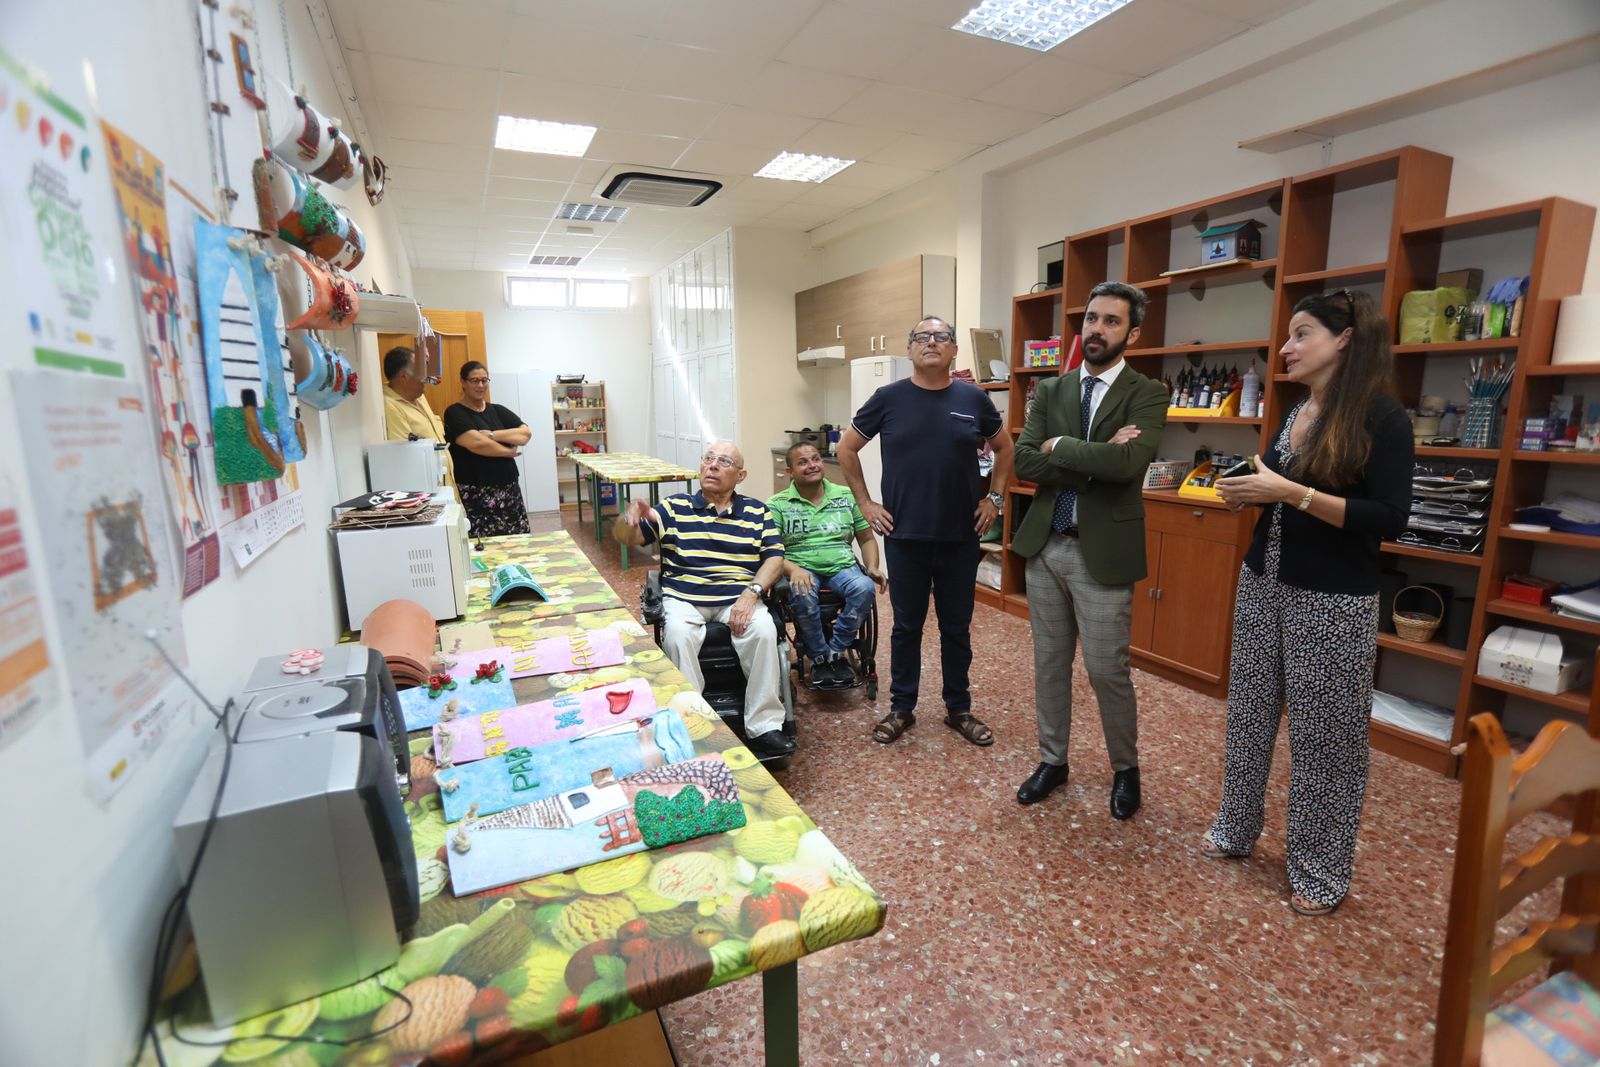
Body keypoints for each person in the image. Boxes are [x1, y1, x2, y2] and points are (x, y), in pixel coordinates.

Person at [1204, 289, 1412, 916]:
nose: (1287, 349)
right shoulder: (1298, 410)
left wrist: (1289, 493)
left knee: (1326, 736)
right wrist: (1245, 492)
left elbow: (1390, 517)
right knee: (1249, 713)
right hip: (1262, 582)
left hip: (1331, 598)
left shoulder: (1382, 418)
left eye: (1301, 335)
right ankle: (1237, 829)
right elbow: (1274, 485)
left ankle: (1320, 869)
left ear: (1344, 339)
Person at [1010, 281, 1169, 821]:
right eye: (1092, 319)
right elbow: (1024, 464)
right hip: (1045, 548)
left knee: (1107, 671)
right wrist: (1094, 455)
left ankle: (1126, 769)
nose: (1097, 330)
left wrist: (1061, 447)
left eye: (1111, 322)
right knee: (1049, 666)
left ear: (1133, 333)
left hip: (1101, 554)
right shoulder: (1051, 391)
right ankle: (1053, 761)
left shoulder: (1148, 392)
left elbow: (1128, 467)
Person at [837, 316, 1014, 747]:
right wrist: (865, 503)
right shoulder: (888, 399)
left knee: (957, 628)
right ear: (911, 349)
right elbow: (846, 448)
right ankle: (902, 708)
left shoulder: (974, 399)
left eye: (941, 337)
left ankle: (959, 708)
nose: (931, 342)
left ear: (954, 350)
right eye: (922, 337)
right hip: (905, 536)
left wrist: (995, 499)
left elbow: (1006, 447)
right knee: (907, 628)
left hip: (960, 537)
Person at [615, 440, 794, 761]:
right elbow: (630, 538)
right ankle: (690, 723)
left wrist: (752, 593)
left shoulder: (756, 511)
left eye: (723, 461)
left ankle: (764, 727)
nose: (712, 465)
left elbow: (774, 559)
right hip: (684, 598)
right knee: (678, 635)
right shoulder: (673, 507)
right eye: (708, 459)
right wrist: (627, 521)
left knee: (764, 630)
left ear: (741, 475)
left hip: (738, 597)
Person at [767, 442, 886, 689]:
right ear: (789, 471)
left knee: (864, 587)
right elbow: (772, 550)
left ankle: (837, 650)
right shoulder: (777, 504)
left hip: (841, 565)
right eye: (803, 462)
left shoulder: (845, 496)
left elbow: (865, 538)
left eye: (815, 459)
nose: (812, 465)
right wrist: (793, 570)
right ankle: (819, 655)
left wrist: (872, 566)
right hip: (800, 566)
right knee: (801, 591)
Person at [442, 361, 532, 537]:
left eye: (484, 380)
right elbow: (477, 444)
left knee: (516, 542)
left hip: (509, 490)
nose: (481, 385)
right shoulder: (455, 412)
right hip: (476, 493)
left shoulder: (497, 410)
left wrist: (492, 434)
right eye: (474, 380)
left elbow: (525, 435)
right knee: (483, 547)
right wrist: (509, 452)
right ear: (463, 382)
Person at [381, 345, 454, 490]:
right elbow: (407, 456)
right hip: (426, 492)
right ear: (403, 376)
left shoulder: (419, 396)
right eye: (421, 372)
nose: (426, 377)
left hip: (447, 484)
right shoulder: (390, 406)